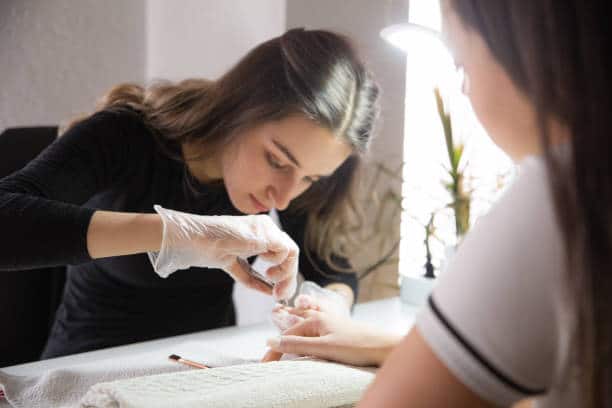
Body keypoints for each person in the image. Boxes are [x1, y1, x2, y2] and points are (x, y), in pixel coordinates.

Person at [264, 1, 612, 407]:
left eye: (461, 63)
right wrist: (385, 345)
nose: (463, 89)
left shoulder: (564, 200)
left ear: (528, 49)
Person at [0, 28, 380, 359]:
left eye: (310, 178)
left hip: (199, 372)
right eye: (277, 161)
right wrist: (180, 233)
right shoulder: (125, 135)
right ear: (241, 107)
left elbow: (331, 269)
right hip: (85, 371)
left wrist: (327, 308)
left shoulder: (286, 180)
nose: (283, 198)